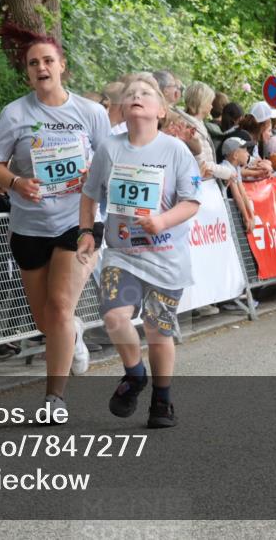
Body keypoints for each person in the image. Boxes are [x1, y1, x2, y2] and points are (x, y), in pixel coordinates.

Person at [0, 22, 110, 415]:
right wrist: (17, 183)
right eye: (33, 63)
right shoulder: (15, 113)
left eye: (48, 60)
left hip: (79, 221)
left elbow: (110, 163)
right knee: (47, 318)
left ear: (62, 66)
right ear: (27, 72)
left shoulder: (90, 112)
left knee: (58, 306)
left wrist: (96, 178)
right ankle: (72, 333)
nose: (41, 67)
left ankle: (53, 399)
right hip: (29, 225)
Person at [77, 73, 201, 429]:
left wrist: (162, 222)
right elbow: (89, 193)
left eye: (146, 93)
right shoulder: (110, 149)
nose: (137, 96)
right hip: (123, 255)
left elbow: (192, 201)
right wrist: (87, 232)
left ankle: (162, 401)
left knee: (157, 329)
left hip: (165, 259)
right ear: (122, 106)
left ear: (161, 110)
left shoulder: (175, 150)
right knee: (115, 318)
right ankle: (135, 375)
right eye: (131, 93)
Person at [182, 81, 234, 181]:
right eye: (210, 102)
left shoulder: (198, 124)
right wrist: (227, 172)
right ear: (202, 103)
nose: (211, 106)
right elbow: (202, 163)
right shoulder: (190, 127)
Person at [219, 136, 256, 233]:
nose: (248, 154)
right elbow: (237, 196)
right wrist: (246, 219)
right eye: (245, 151)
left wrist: (252, 216)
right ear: (235, 155)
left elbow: (243, 193)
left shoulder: (236, 168)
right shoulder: (226, 168)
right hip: (220, 207)